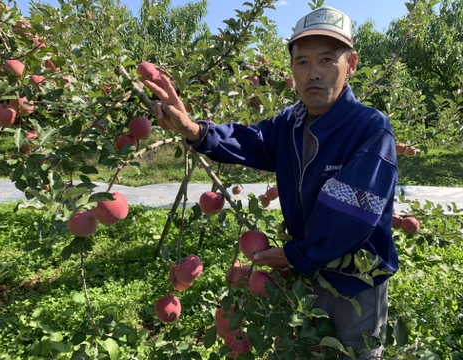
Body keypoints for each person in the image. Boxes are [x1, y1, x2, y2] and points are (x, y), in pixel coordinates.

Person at [144, 6, 399, 359]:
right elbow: (252, 140)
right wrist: (196, 131)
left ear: (350, 64)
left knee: (355, 353)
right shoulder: (290, 123)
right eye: (303, 62)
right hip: (304, 271)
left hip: (356, 280)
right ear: (292, 69)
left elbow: (352, 214)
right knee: (303, 346)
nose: (314, 73)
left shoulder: (370, 128)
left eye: (327, 60)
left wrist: (295, 254)